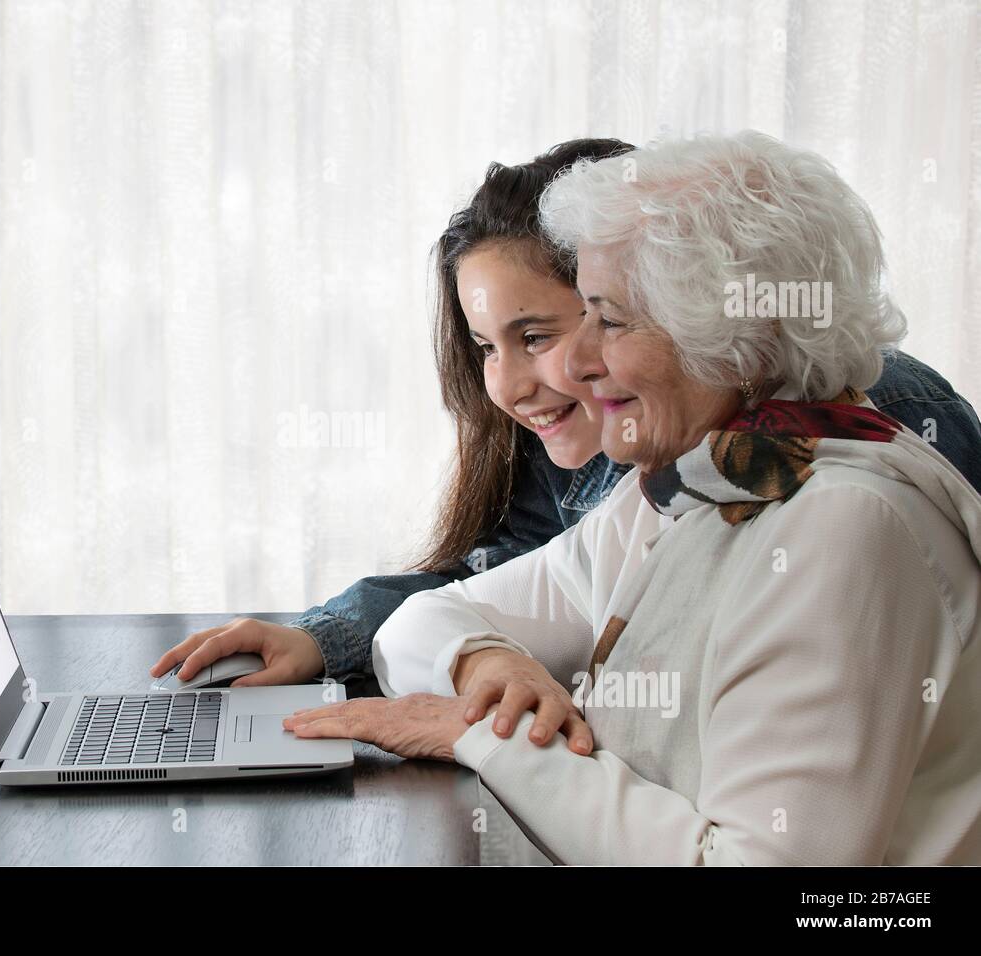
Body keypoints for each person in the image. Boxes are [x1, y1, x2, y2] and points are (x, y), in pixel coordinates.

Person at [282, 131, 981, 864]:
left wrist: (482, 735)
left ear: (738, 336)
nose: (579, 362)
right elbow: (422, 622)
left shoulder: (844, 526)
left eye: (610, 320)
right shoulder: (683, 488)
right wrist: (483, 665)